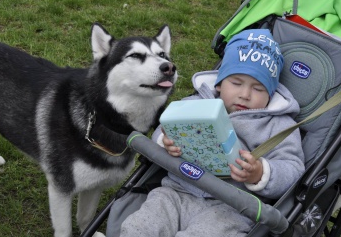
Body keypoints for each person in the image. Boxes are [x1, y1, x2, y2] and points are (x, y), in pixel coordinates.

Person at [119, 29, 305, 237]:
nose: (245, 95)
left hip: (232, 207)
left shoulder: (278, 126)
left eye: (258, 89)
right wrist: (166, 140)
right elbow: (164, 128)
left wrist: (261, 173)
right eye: (236, 83)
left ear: (271, 94)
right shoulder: (197, 103)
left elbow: (293, 167)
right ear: (219, 82)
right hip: (177, 191)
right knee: (139, 227)